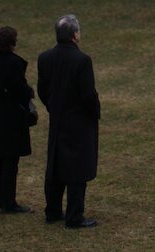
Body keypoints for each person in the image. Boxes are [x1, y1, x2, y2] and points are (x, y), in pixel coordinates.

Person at [37, 14, 100, 229]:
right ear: (75, 34)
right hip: (79, 121)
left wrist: (53, 107)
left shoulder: (45, 58)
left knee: (55, 165)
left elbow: (42, 90)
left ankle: (53, 210)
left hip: (58, 118)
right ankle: (74, 216)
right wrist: (94, 113)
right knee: (77, 169)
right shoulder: (82, 60)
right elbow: (88, 95)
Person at [0, 26, 34, 213]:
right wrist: (29, 93)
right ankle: (8, 202)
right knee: (10, 160)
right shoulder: (13, 63)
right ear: (12, 43)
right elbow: (19, 90)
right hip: (12, 117)